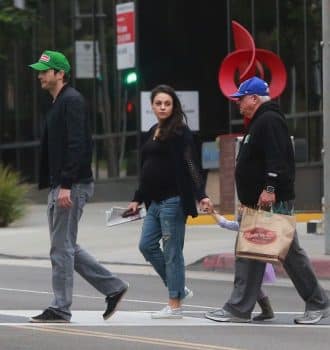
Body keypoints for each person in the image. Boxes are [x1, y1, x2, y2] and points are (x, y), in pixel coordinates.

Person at [205, 76, 329, 324]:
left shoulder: (269, 120)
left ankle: (319, 303)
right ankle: (239, 307)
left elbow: (277, 158)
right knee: (250, 252)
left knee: (288, 253)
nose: (239, 104)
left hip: (272, 201)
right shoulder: (260, 121)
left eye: (241, 99)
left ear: (254, 98)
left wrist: (269, 188)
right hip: (259, 204)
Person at [28, 50, 128, 323]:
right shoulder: (60, 101)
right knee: (65, 246)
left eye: (44, 71)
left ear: (60, 74)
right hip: (62, 184)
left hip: (71, 185)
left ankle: (60, 307)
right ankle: (113, 287)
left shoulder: (71, 101)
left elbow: (79, 145)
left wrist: (66, 185)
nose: (39, 75)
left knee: (61, 248)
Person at [126, 84, 213, 319]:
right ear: (152, 106)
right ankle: (179, 287)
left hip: (173, 201)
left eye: (167, 103)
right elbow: (146, 169)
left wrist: (201, 195)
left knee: (172, 252)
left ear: (173, 106)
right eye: (158, 103)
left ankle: (175, 305)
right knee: (146, 245)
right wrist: (137, 199)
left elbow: (191, 164)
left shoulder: (179, 131)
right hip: (154, 202)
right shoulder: (153, 130)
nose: (163, 107)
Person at [212, 210, 275, 321]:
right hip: (254, 259)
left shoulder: (252, 227)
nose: (240, 210)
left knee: (251, 284)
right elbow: (225, 223)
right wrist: (213, 212)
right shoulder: (243, 226)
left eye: (242, 209)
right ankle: (267, 310)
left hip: (254, 260)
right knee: (254, 286)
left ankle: (266, 310)